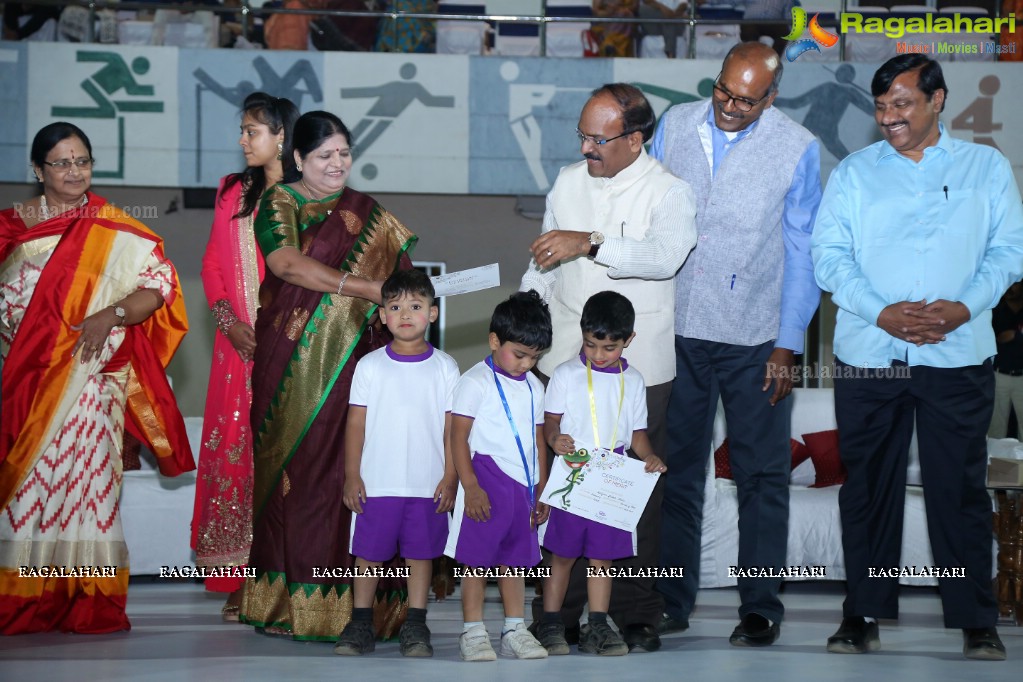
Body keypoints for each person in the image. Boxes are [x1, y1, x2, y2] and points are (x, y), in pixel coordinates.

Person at [812, 54, 1023, 661]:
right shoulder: (854, 173)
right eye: (880, 107)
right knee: (868, 488)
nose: (888, 118)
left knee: (956, 489)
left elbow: (1007, 251)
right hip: (871, 353)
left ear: (937, 100)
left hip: (957, 353)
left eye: (901, 104)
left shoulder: (986, 167)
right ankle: (863, 612)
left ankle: (974, 618)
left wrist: (965, 306)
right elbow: (829, 256)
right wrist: (880, 311)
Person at [650, 41, 821, 646]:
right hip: (676, 331)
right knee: (673, 472)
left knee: (761, 475)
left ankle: (760, 606)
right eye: (723, 91)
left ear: (770, 98)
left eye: (746, 101)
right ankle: (669, 599)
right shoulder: (674, 124)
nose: (729, 106)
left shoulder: (797, 148)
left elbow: (802, 250)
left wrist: (788, 342)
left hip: (754, 340)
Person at [520, 82, 697, 652]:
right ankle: (563, 613)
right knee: (564, 490)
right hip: (566, 365)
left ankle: (638, 611)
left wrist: (591, 242)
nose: (587, 148)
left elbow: (665, 256)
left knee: (634, 493)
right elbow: (544, 261)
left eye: (599, 138)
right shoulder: (569, 181)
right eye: (583, 136)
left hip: (637, 371)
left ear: (635, 138)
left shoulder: (670, 191)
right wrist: (525, 309)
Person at [0, 122, 193, 634]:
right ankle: (20, 597)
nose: (74, 171)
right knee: (26, 492)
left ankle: (88, 598)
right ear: (37, 170)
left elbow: (160, 286)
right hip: (24, 385)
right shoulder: (9, 228)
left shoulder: (116, 228)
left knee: (90, 493)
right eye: (61, 163)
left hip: (88, 389)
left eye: (82, 161)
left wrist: (115, 314)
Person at [238, 110, 418, 641]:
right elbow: (287, 265)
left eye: (344, 153)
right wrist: (363, 288)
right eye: (324, 155)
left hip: (359, 365)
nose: (337, 163)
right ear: (297, 159)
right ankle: (289, 606)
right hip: (290, 364)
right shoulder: (281, 201)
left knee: (354, 471)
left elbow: (403, 278)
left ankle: (362, 611)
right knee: (300, 478)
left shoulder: (370, 215)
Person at [190, 92, 299, 621]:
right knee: (237, 460)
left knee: (288, 462)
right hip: (237, 351)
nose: (242, 140)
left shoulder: (308, 195)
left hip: (292, 351)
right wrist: (230, 323)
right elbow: (212, 264)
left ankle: (287, 580)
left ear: (282, 136)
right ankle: (240, 578)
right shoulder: (233, 192)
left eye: (252, 130)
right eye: (243, 129)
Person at [333, 269, 459, 657]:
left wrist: (451, 476)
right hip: (377, 483)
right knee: (368, 555)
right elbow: (355, 424)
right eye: (396, 306)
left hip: (427, 484)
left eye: (416, 306)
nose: (406, 314)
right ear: (383, 315)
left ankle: (416, 625)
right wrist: (352, 474)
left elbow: (452, 429)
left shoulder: (445, 367)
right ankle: (359, 624)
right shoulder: (370, 366)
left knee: (421, 555)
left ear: (432, 314)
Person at [537, 291, 668, 657]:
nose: (598, 354)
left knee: (602, 559)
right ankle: (551, 624)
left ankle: (597, 625)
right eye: (592, 344)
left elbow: (637, 434)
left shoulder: (636, 381)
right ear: (582, 334)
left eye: (609, 348)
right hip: (574, 472)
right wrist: (554, 439)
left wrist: (650, 456)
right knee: (561, 556)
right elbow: (550, 424)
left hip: (611, 477)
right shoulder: (565, 374)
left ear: (629, 341)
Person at [445, 291, 552, 662]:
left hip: (524, 486)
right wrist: (470, 486)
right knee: (476, 560)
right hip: (486, 479)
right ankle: (473, 631)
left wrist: (542, 491)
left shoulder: (536, 387)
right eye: (520, 354)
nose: (526, 364)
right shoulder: (475, 382)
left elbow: (540, 442)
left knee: (516, 561)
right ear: (495, 340)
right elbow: (457, 436)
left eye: (535, 358)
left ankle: (513, 628)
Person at [988, 281, 1023, 439]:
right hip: (999, 374)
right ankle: (996, 463)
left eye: (1015, 283)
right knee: (996, 426)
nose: (1011, 287)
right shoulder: (995, 309)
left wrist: (1016, 336)